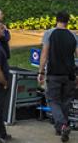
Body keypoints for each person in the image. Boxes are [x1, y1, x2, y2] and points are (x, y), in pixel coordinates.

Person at [39, 11, 77, 140]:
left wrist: (41, 71)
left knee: (53, 101)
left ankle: (62, 125)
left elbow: (44, 54)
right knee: (65, 102)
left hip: (54, 73)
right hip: (69, 74)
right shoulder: (73, 35)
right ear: (68, 21)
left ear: (56, 20)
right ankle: (60, 129)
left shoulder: (49, 33)